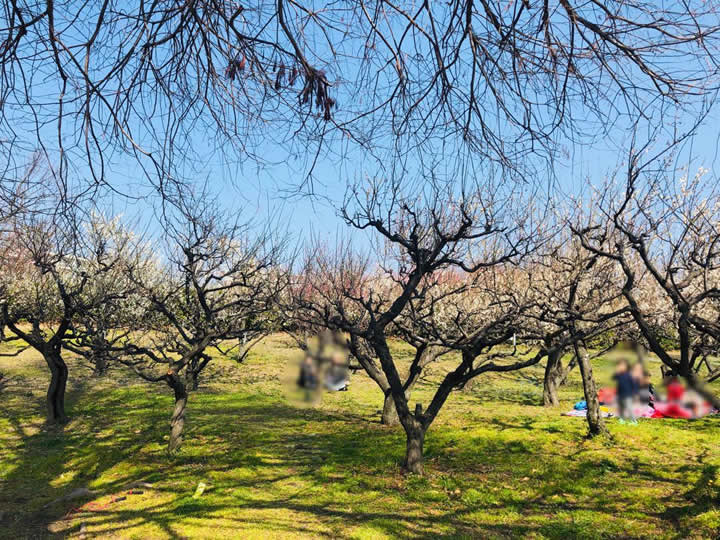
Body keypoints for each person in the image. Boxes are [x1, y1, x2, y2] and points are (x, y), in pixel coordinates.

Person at [613, 358, 637, 424]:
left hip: (628, 394)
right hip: (620, 394)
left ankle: (634, 421)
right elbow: (614, 378)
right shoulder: (618, 375)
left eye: (622, 366)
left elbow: (634, 384)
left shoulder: (629, 375)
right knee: (621, 407)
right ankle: (622, 419)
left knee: (629, 407)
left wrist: (635, 393)